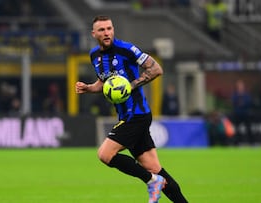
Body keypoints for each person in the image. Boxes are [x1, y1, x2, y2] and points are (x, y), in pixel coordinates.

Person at [75, 15, 188, 203]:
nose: (106, 33)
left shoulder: (126, 49)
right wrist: (89, 88)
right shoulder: (94, 55)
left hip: (136, 115)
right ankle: (162, 185)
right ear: (93, 34)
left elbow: (156, 69)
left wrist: (131, 85)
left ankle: (152, 181)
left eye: (109, 28)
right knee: (155, 168)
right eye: (102, 30)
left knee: (105, 154)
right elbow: (105, 83)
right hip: (126, 115)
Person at [231, 79, 254, 145]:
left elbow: (249, 102)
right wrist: (240, 103)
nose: (240, 87)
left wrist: (242, 103)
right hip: (237, 114)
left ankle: (251, 143)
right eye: (239, 86)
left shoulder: (246, 95)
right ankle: (236, 143)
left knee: (249, 129)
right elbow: (234, 102)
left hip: (245, 114)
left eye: (241, 85)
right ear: (237, 86)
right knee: (237, 130)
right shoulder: (235, 95)